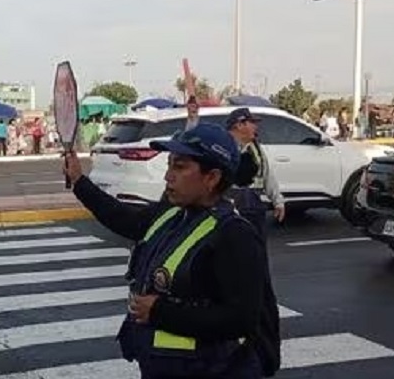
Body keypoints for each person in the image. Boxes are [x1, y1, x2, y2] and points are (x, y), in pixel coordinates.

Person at [63, 122, 280, 379]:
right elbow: (126, 220)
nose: (168, 176)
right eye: (169, 165)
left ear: (212, 178)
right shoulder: (173, 213)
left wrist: (158, 311)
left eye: (180, 167)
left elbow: (240, 319)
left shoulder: (234, 235)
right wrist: (79, 182)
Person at [226, 108, 285, 238]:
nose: (256, 127)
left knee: (256, 247)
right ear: (239, 125)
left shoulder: (255, 148)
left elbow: (267, 175)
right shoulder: (222, 147)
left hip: (254, 204)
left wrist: (278, 201)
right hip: (231, 205)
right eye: (252, 122)